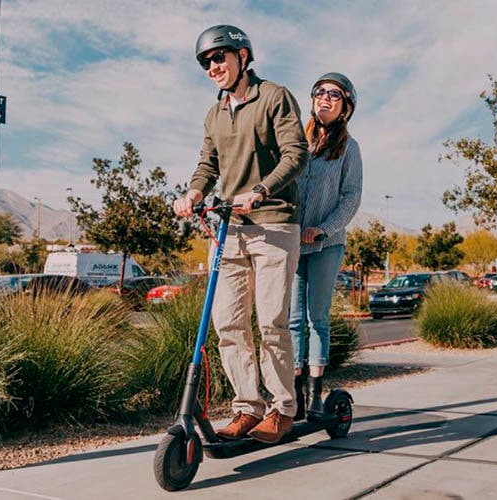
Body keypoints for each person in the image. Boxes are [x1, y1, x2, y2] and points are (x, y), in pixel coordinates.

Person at [174, 25, 308, 443]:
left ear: (243, 56)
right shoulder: (214, 114)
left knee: (270, 320)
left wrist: (262, 190)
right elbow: (208, 164)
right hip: (229, 228)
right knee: (228, 324)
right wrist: (194, 191)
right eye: (206, 62)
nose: (213, 67)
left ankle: (283, 408)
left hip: (273, 222)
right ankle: (246, 407)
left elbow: (296, 154)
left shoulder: (274, 96)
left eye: (220, 57)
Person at [289, 73, 362, 420]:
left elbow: (351, 197)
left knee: (317, 318)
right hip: (290, 245)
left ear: (346, 106)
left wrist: (323, 228)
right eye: (320, 92)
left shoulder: (349, 148)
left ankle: (317, 395)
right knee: (291, 321)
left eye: (334, 95)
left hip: (326, 245)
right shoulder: (295, 143)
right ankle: (295, 396)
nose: (325, 98)